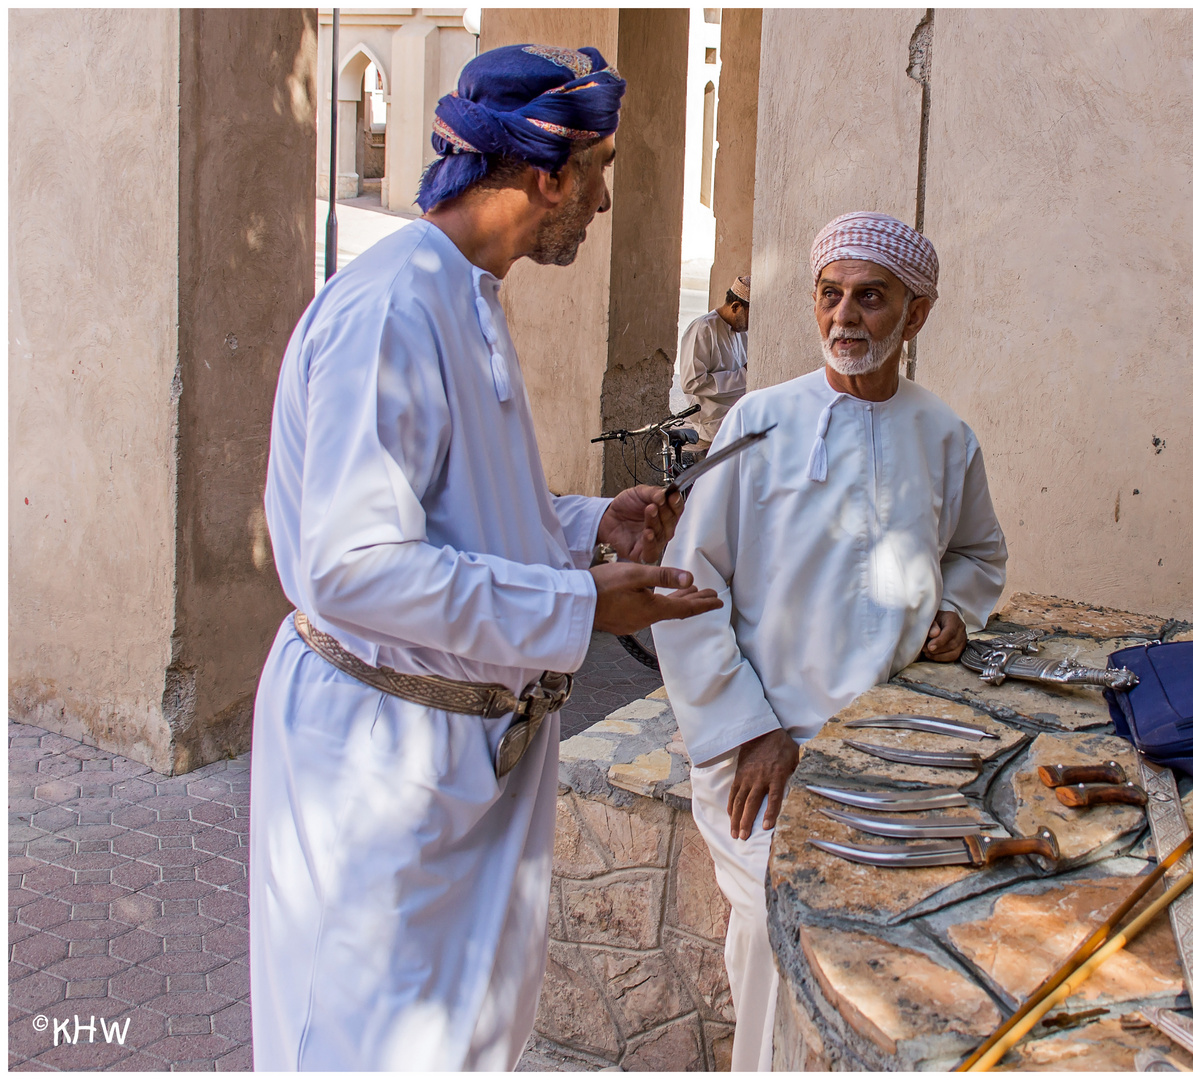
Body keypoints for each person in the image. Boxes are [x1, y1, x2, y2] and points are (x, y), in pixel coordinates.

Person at [249, 44, 721, 1071]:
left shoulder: (466, 293)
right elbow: (352, 565)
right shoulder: (392, 312)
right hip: (382, 765)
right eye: (595, 173)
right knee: (371, 1046)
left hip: (464, 766)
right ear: (544, 176)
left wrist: (590, 526)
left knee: (466, 1046)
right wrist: (579, 609)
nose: (602, 202)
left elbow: (461, 521)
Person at [652, 212, 1009, 1070]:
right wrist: (750, 729)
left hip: (889, 754)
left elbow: (977, 554)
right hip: (763, 755)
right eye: (830, 295)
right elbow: (687, 591)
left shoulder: (945, 436)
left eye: (871, 299)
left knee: (882, 976)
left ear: (915, 316)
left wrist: (954, 611)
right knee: (780, 957)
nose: (845, 317)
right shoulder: (759, 424)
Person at [673, 274, 750, 447]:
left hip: (737, 423)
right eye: (750, 316)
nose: (750, 324)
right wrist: (743, 375)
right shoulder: (702, 328)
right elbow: (691, 382)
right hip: (711, 428)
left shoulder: (741, 332)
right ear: (736, 306)